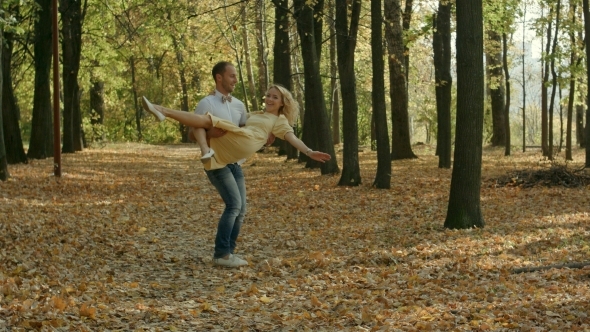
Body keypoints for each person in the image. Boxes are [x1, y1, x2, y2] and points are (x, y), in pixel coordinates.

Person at [141, 85, 331, 168]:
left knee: (205, 119)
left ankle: (162, 110)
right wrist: (216, 98)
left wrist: (309, 152)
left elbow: (292, 138)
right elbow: (232, 116)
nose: (269, 99)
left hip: (249, 140)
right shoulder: (257, 114)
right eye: (268, 95)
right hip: (240, 141)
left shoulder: (279, 120)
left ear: (282, 103)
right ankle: (206, 151)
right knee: (202, 120)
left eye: (275, 97)